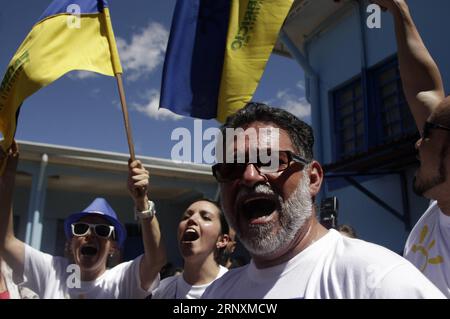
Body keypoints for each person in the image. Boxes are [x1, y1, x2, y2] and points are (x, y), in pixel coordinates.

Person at [202, 102, 445, 298]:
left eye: (270, 160)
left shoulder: (377, 280)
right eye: (230, 168)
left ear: (313, 178)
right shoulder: (216, 293)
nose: (249, 176)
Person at [0, 141, 166, 298]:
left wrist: (142, 202)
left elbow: (156, 260)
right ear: (71, 241)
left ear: (113, 247)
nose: (90, 235)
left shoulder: (123, 279)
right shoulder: (51, 272)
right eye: (81, 228)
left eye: (101, 231)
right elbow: (5, 241)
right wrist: (6, 177)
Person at [371, 0, 450, 297]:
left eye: (427, 134)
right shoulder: (442, 198)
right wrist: (396, 8)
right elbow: (425, 90)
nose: (418, 143)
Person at [150, 199, 229, 299]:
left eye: (206, 217)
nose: (191, 219)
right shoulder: (162, 291)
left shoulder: (237, 288)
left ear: (222, 240)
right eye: (186, 217)